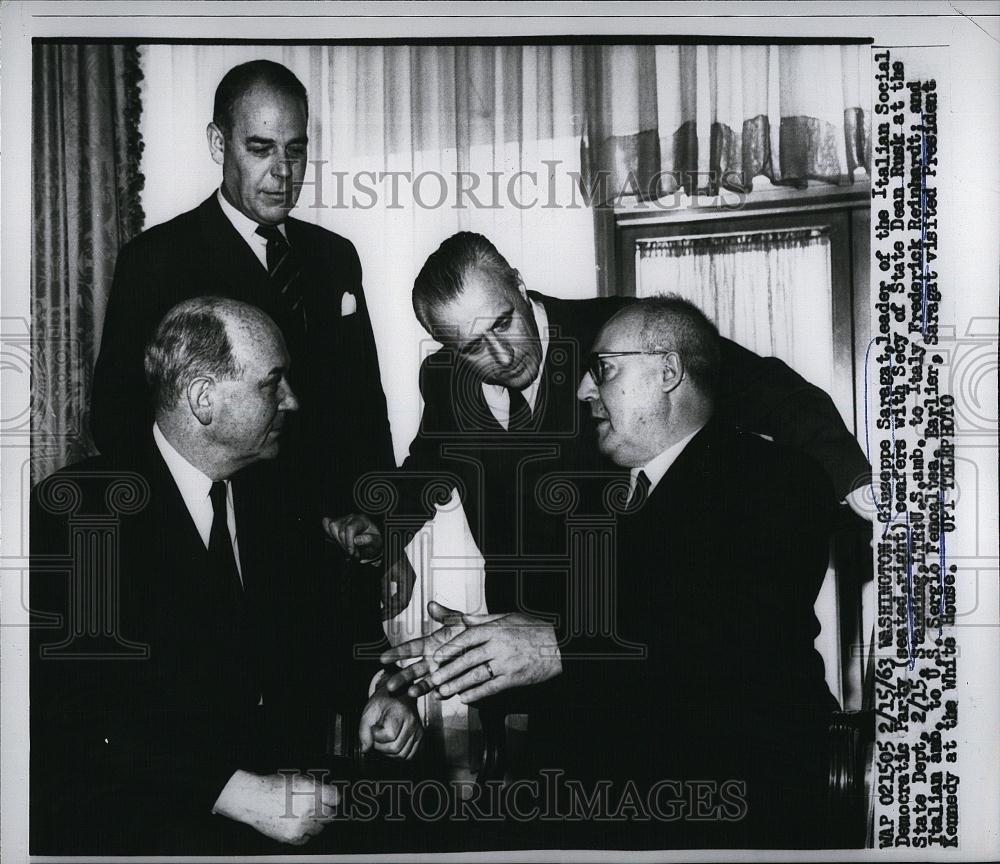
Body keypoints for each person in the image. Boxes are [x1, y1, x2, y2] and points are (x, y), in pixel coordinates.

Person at [382, 296, 841, 848]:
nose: (582, 391)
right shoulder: (599, 503)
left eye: (603, 370)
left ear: (668, 371)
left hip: (736, 795)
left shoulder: (774, 479)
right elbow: (589, 658)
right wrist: (477, 654)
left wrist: (555, 648)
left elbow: (730, 639)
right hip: (612, 794)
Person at [30, 298, 420, 855]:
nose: (293, 399)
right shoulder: (78, 514)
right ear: (203, 399)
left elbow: (332, 638)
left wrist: (378, 692)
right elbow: (76, 715)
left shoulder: (279, 499)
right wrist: (235, 793)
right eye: (272, 383)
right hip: (142, 824)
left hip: (290, 811)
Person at [330, 231, 870, 622]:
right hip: (516, 645)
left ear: (518, 283)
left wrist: (852, 477)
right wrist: (383, 524)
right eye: (472, 347)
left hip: (629, 644)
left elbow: (764, 388)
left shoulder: (616, 333)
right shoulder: (445, 381)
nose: (502, 353)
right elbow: (430, 466)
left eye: (503, 322)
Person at [90, 59, 392, 517]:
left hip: (343, 547)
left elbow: (366, 405)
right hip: (231, 555)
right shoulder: (156, 260)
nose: (283, 172)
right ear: (218, 143)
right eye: (260, 148)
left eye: (295, 149)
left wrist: (382, 527)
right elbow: (117, 420)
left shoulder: (336, 256)